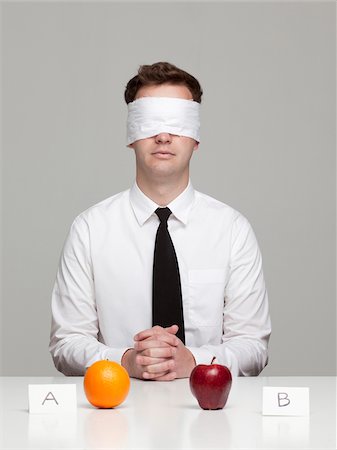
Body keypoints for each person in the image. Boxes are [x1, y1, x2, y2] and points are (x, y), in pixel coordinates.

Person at [49, 61, 271, 380]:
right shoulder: (89, 229)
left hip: (212, 418)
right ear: (131, 136)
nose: (164, 135)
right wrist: (123, 361)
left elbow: (253, 346)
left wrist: (194, 361)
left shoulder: (232, 230)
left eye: (178, 124)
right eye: (149, 123)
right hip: (112, 415)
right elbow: (65, 343)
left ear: (195, 138)